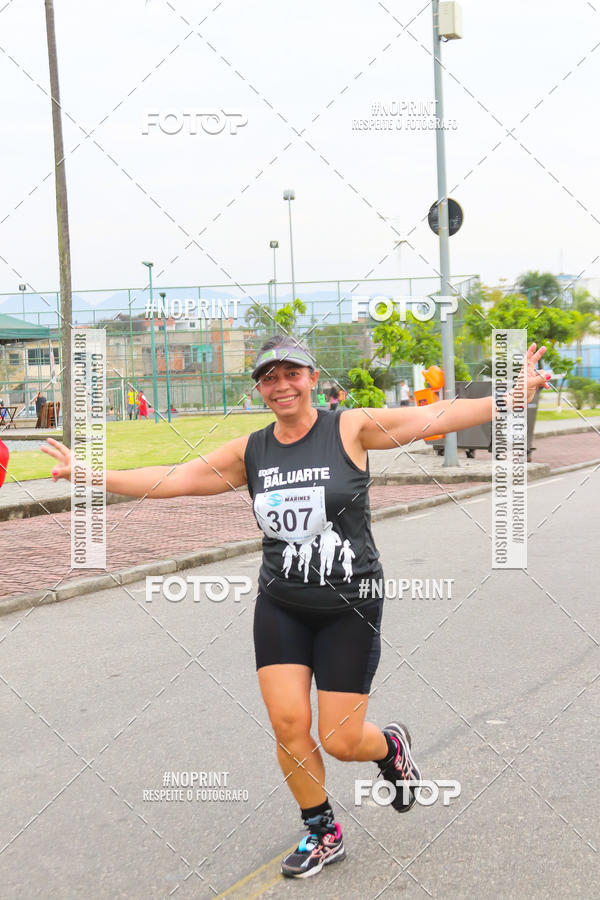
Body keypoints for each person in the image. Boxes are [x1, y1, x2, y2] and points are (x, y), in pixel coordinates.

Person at [41, 334, 550, 880]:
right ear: (259, 388)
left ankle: (390, 748)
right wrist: (91, 475)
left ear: (311, 378)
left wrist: (510, 396)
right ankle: (321, 830)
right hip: (281, 603)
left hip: (350, 604)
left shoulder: (349, 428)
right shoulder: (252, 451)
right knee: (288, 724)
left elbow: (434, 417)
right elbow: (175, 479)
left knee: (341, 739)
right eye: (268, 377)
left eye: (292, 374)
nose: (281, 385)